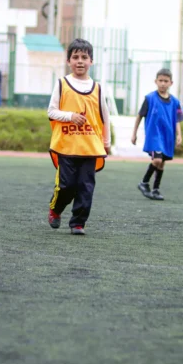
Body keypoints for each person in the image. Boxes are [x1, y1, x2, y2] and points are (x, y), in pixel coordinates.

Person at [47, 38, 111, 235]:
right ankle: (56, 209)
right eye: (75, 57)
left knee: (86, 187)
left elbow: (105, 116)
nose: (80, 61)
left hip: (90, 147)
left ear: (91, 61)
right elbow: (51, 112)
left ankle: (78, 223)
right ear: (68, 61)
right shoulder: (62, 84)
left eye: (84, 57)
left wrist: (106, 142)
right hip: (66, 145)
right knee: (66, 185)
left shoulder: (98, 88)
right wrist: (70, 116)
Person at [131, 68, 183, 201]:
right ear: (156, 81)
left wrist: (179, 135)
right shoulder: (150, 98)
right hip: (154, 136)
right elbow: (140, 115)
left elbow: (177, 119)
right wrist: (134, 133)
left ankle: (155, 189)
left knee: (162, 163)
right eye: (160, 80)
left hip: (168, 136)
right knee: (157, 160)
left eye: (166, 81)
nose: (163, 83)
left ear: (171, 83)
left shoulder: (175, 102)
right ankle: (144, 182)